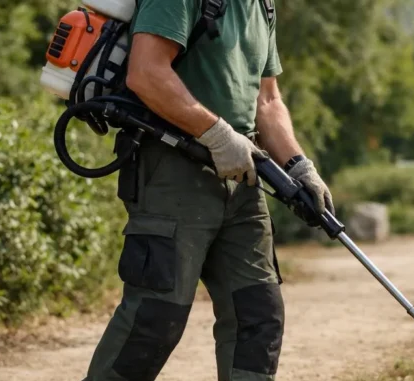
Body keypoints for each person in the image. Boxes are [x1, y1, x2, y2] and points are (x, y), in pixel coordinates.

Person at [82, 0, 334, 380]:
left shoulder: (262, 5)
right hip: (173, 170)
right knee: (155, 319)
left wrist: (299, 166)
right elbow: (146, 72)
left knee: (257, 315)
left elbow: (267, 99)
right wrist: (215, 134)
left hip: (244, 175)